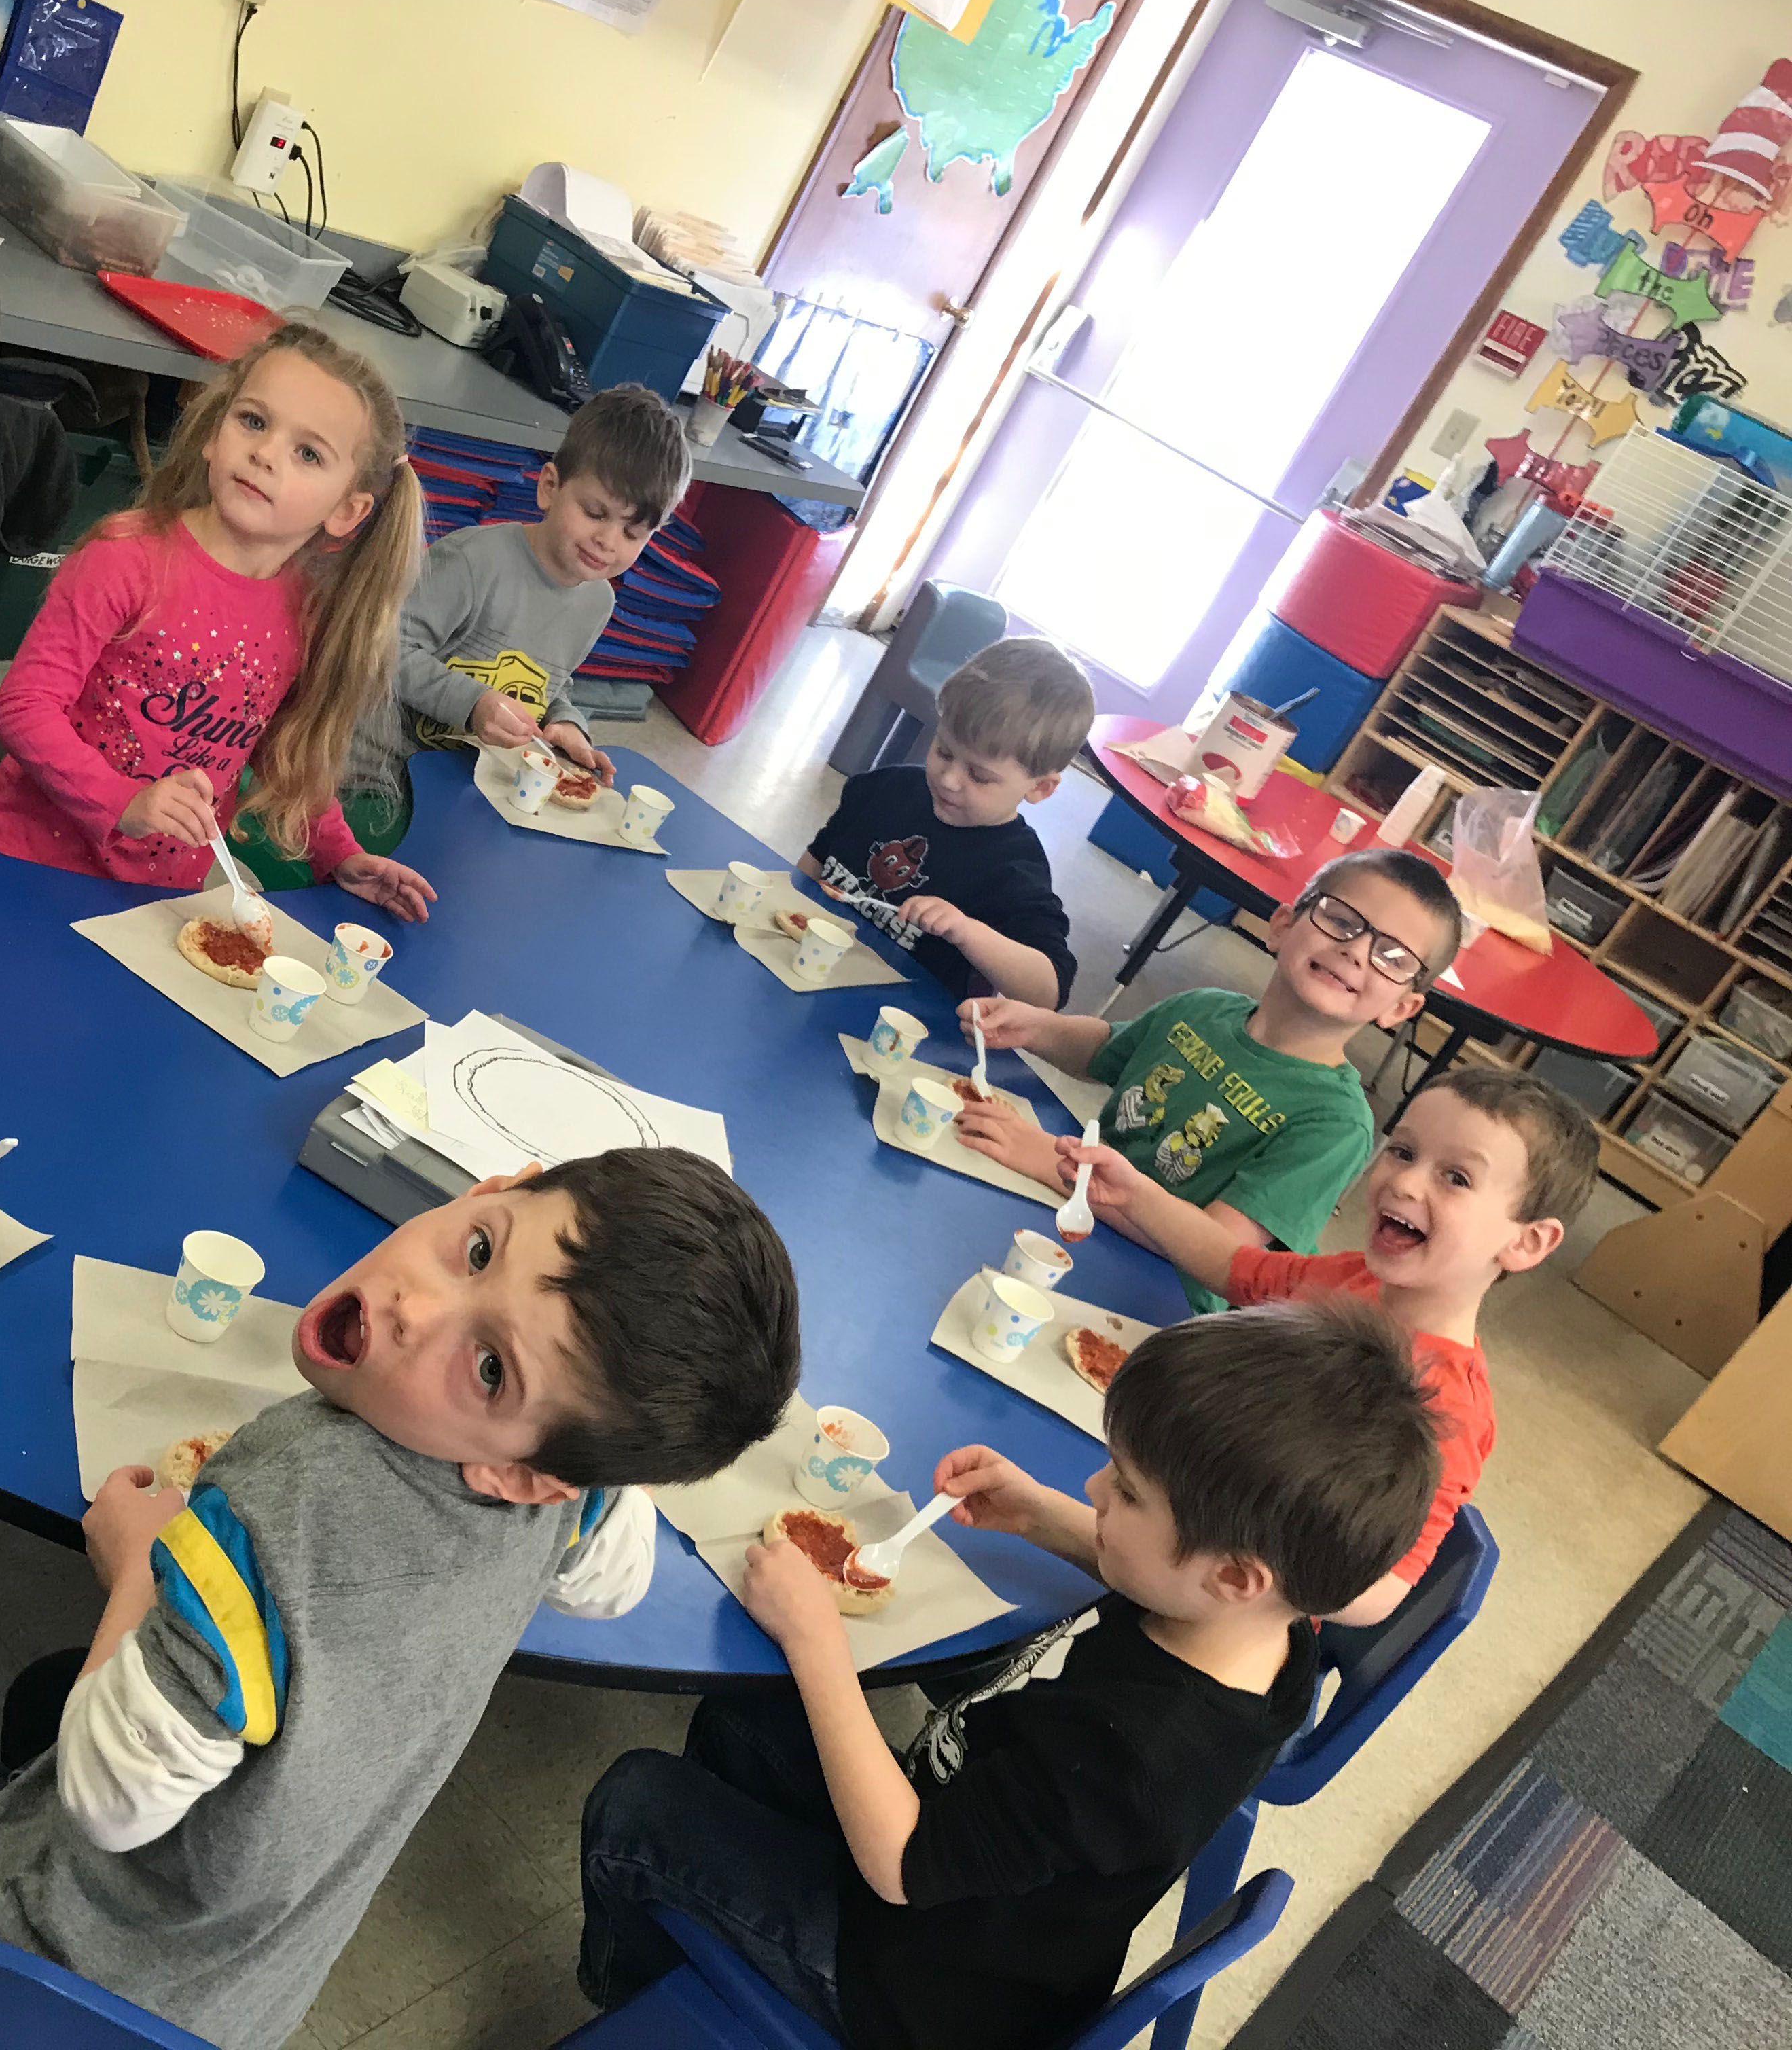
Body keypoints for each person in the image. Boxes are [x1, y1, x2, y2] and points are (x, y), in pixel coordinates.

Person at [0, 1149, 802, 2049]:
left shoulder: (273, 1525)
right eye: (479, 1250)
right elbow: (613, 1582)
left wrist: (143, 1559)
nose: (416, 1309)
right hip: (240, 1998)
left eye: (489, 1368)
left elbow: (105, 1798)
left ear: (529, 1476)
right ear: (496, 1188)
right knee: (52, 1692)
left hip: (57, 1981)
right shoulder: (563, 1494)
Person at [577, 1297, 1439, 2050]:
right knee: (738, 1720)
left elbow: (902, 1863)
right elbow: (1161, 1582)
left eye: (1128, 1493)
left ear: (1235, 1576)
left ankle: (637, 1994)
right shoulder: (1265, 1639)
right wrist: (1043, 1519)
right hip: (969, 1893)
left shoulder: (1130, 1757)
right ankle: (706, 1931)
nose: (1097, 1486)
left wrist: (817, 1644)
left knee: (634, 1806)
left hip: (913, 1987)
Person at [1062, 1064, 1596, 1625]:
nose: (1405, 1183)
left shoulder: (1446, 1409)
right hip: (1171, 1494)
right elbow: (1233, 1267)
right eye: (1404, 1151)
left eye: (1457, 1178)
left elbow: (1381, 1591)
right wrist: (1137, 1194)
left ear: (1528, 1242)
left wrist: (1231, 1560)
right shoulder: (1352, 1277)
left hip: (1217, 1607)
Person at [0, 323, 436, 924]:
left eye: (307, 453)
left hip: (152, 905)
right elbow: (23, 706)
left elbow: (288, 755)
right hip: (19, 866)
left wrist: (340, 854)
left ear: (347, 510)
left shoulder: (305, 614)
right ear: (214, 433)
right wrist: (122, 801)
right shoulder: (123, 559)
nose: (264, 453)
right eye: (254, 422)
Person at [955, 846, 1465, 1310]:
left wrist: (1050, 1162)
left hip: (1155, 1295)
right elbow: (1105, 1052)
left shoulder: (1336, 1123)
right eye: (1341, 919)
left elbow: (1219, 1249)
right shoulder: (1204, 1008)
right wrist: (1036, 1026)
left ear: (1403, 1006)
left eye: (1394, 957)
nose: (1357, 952)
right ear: (1283, 925)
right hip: (1067, 1215)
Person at [334, 382, 693, 857]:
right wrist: (474, 703)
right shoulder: (473, 562)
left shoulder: (598, 602)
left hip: (465, 787)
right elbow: (382, 649)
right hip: (371, 782)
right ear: (549, 487)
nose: (608, 541)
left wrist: (565, 723)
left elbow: (552, 681)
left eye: (632, 532)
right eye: (595, 512)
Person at [799, 639, 1090, 1007]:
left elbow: (1049, 992)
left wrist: (967, 931)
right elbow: (813, 864)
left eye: (980, 776)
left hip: (892, 1025)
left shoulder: (1015, 869)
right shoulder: (884, 788)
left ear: (1041, 789)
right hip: (802, 970)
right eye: (944, 752)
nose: (949, 779)